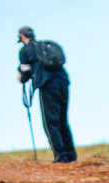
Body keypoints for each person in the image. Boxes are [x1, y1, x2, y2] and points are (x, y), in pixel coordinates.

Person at [16, 26, 76, 163]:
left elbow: (24, 75)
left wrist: (21, 76)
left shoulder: (25, 50)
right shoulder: (45, 46)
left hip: (47, 84)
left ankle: (61, 156)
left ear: (22, 37)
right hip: (63, 81)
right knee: (62, 119)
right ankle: (70, 155)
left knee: (50, 121)